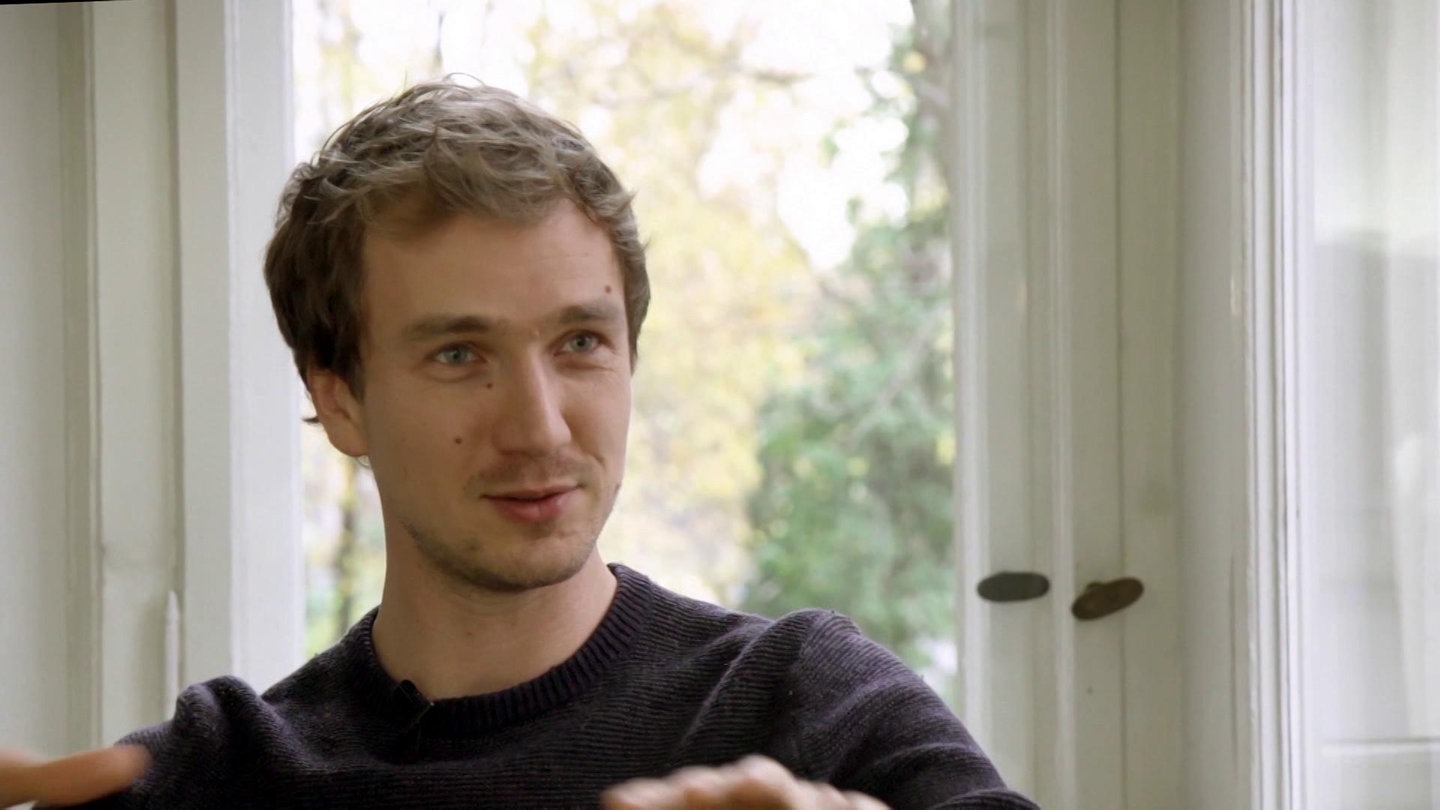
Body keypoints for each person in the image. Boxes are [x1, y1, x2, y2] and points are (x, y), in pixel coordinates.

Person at [0, 80, 1037, 810]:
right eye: (459, 355)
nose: (539, 427)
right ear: (340, 399)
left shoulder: (806, 702)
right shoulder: (219, 774)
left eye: (581, 343)